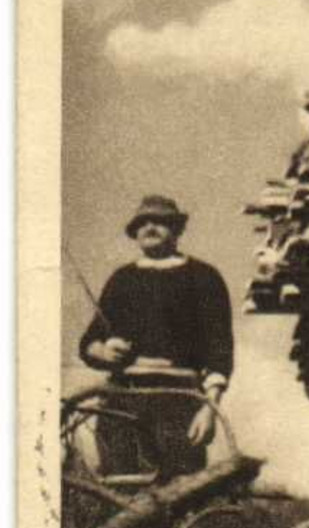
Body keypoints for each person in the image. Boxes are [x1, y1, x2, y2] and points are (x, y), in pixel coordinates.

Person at [79, 195, 234, 480]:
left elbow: (219, 350)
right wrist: (103, 350)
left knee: (180, 492)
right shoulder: (122, 279)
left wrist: (209, 410)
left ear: (177, 230)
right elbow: (90, 341)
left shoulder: (204, 278)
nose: (150, 227)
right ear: (135, 232)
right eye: (143, 223)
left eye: (160, 222)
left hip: (180, 401)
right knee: (121, 488)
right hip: (122, 400)